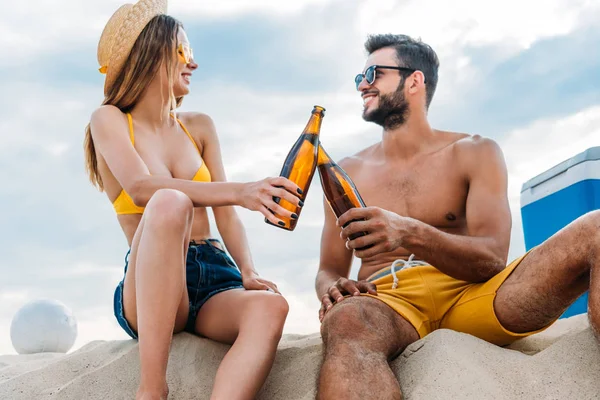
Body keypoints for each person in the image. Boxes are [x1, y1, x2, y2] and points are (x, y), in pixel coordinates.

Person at [315, 33, 599, 400]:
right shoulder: (345, 171)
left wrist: (410, 233)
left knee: (595, 227)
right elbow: (328, 268)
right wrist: (331, 289)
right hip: (388, 301)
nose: (362, 84)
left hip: (475, 292)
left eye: (373, 73)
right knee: (347, 321)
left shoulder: (473, 152)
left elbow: (491, 260)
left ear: (414, 80)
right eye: (359, 78)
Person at [84, 1, 304, 399]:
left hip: (215, 275)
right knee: (169, 202)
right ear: (150, 54)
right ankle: (152, 390)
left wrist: (248, 270)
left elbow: (226, 217)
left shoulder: (199, 126)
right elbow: (140, 188)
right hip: (150, 279)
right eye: (184, 51)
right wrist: (241, 190)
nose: (194, 63)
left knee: (272, 307)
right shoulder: (110, 120)